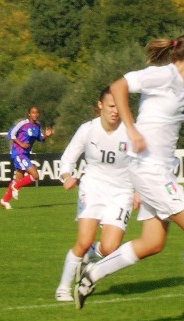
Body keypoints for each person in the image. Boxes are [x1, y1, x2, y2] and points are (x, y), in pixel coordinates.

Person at [74, 34, 184, 320]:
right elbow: (118, 86)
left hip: (160, 169)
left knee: (153, 242)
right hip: (149, 169)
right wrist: (132, 129)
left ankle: (93, 272)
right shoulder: (163, 75)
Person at [55, 86, 135, 302]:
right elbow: (68, 158)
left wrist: (139, 191)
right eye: (111, 106)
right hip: (93, 188)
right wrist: (66, 177)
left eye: (119, 106)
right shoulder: (87, 129)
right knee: (83, 241)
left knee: (110, 248)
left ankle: (88, 258)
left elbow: (141, 162)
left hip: (121, 192)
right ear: (100, 105)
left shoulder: (130, 131)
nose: (115, 111)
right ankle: (63, 288)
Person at [0, 106, 54, 210]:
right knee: (35, 175)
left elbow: (40, 138)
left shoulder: (37, 126)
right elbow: (11, 134)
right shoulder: (23, 124)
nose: (35, 114)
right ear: (29, 114)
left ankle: (5, 200)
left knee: (18, 179)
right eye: (33, 112)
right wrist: (21, 143)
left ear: (38, 114)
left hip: (26, 154)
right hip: (19, 153)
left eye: (37, 113)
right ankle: (15, 187)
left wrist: (46, 135)